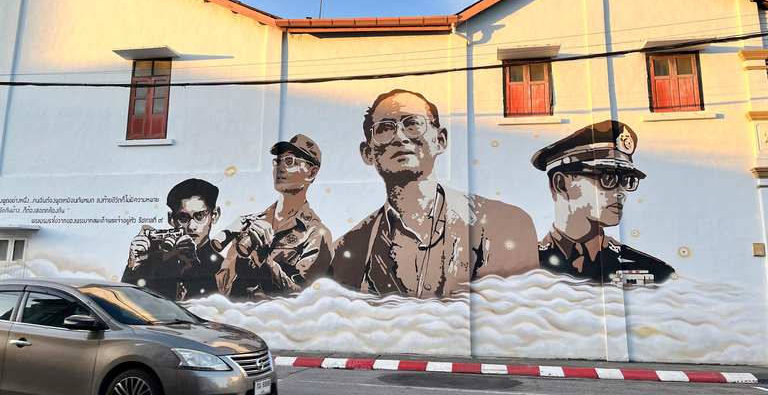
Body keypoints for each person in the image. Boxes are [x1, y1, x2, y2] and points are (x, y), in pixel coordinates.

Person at [330, 89, 539, 298]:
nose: (399, 137)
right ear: (368, 153)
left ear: (440, 140)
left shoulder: (501, 224)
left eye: (413, 124)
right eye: (385, 129)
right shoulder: (345, 251)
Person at [532, 120, 675, 284]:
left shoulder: (654, 272)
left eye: (628, 180)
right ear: (561, 183)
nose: (621, 192)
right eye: (608, 178)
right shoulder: (525, 265)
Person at [215, 134, 332, 298]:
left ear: (311, 173)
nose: (280, 167)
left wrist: (266, 259)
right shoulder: (252, 223)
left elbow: (304, 296)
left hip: (277, 321)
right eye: (277, 161)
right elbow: (222, 288)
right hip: (240, 319)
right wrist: (241, 257)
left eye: (290, 161)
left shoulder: (315, 234)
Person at [122, 178, 223, 300]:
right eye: (183, 217)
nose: (191, 227)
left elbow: (215, 308)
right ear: (171, 219)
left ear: (215, 215)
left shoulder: (224, 267)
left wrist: (192, 267)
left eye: (199, 216)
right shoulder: (152, 263)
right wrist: (133, 267)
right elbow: (125, 303)